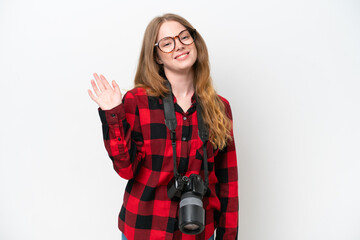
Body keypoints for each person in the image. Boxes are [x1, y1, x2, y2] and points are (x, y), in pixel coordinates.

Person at [88, 13, 238, 240]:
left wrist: (228, 236)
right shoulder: (137, 101)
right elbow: (126, 169)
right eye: (167, 43)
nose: (179, 46)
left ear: (195, 42)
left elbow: (228, 184)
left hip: (198, 233)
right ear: (157, 56)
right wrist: (113, 114)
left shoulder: (219, 107)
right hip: (143, 230)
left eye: (184, 37)